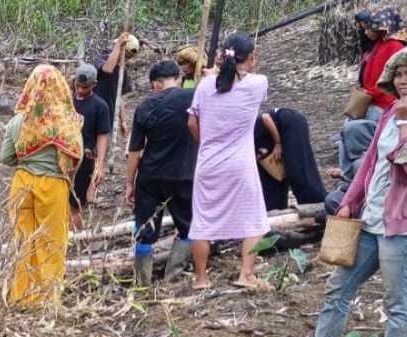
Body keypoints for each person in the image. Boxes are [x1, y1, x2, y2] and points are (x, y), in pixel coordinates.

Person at [277, 45, 407, 337]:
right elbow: (371, 161)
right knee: (338, 288)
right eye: (400, 74)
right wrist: (350, 200)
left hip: (405, 229)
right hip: (372, 221)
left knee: (398, 307)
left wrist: (406, 123)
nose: (404, 81)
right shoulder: (391, 112)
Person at [186, 33, 269, 290]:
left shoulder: (204, 85)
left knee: (202, 221)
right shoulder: (258, 83)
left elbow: (192, 122)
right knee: (253, 217)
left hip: (208, 163)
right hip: (240, 164)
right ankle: (245, 274)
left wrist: (207, 143)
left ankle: (201, 278)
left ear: (221, 56)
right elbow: (238, 80)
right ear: (251, 58)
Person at [0, 65, 83, 306]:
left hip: (22, 184)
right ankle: (47, 299)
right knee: (52, 241)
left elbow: (5, 157)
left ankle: (21, 297)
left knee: (22, 240)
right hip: (53, 185)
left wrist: (25, 160)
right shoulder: (67, 122)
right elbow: (75, 158)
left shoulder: (18, 121)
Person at [125, 60, 198, 286]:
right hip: (183, 173)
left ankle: (143, 283)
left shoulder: (144, 106)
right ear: (178, 79)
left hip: (150, 175)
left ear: (154, 84)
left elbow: (135, 150)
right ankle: (172, 278)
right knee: (188, 225)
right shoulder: (194, 97)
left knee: (144, 227)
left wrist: (130, 182)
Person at [254, 107, 328, 211]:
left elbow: (265, 118)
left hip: (288, 122)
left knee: (296, 169)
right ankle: (276, 208)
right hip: (273, 134)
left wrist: (278, 144)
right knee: (271, 176)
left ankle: (317, 205)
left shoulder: (239, 124)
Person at [69, 64, 113, 230]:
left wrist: (99, 167)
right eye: (77, 86)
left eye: (85, 87)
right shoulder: (67, 101)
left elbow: (102, 137)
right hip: (63, 158)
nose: (80, 90)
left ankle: (71, 241)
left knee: (76, 204)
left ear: (94, 84)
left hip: (83, 161)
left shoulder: (100, 106)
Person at [358, 6, 407, 123]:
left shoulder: (395, 46)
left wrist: (371, 92)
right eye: (364, 29)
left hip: (383, 104)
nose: (366, 33)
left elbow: (393, 77)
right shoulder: (377, 44)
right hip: (370, 100)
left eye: (368, 28)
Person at [93, 31, 140, 140]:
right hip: (93, 113)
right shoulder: (100, 59)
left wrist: (122, 121)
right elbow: (108, 69)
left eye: (128, 58)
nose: (125, 59)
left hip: (107, 118)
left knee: (103, 150)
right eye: (124, 55)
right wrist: (119, 44)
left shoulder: (123, 71)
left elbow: (120, 97)